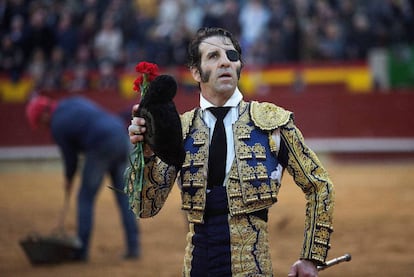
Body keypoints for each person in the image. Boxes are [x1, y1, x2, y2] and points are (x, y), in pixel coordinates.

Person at [127, 27, 334, 276]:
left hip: (252, 268)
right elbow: (145, 207)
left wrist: (312, 257)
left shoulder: (271, 123)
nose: (225, 61)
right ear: (195, 71)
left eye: (231, 56)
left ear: (239, 67)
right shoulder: (178, 131)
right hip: (196, 267)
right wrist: (146, 154)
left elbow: (319, 185)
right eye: (213, 56)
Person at [26, 95, 140, 261]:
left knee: (85, 198)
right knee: (124, 197)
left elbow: (70, 158)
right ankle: (133, 247)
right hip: (120, 136)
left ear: (44, 115)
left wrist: (68, 178)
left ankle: (81, 251)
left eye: (41, 123)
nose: (44, 126)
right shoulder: (71, 102)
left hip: (100, 146)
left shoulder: (57, 124)